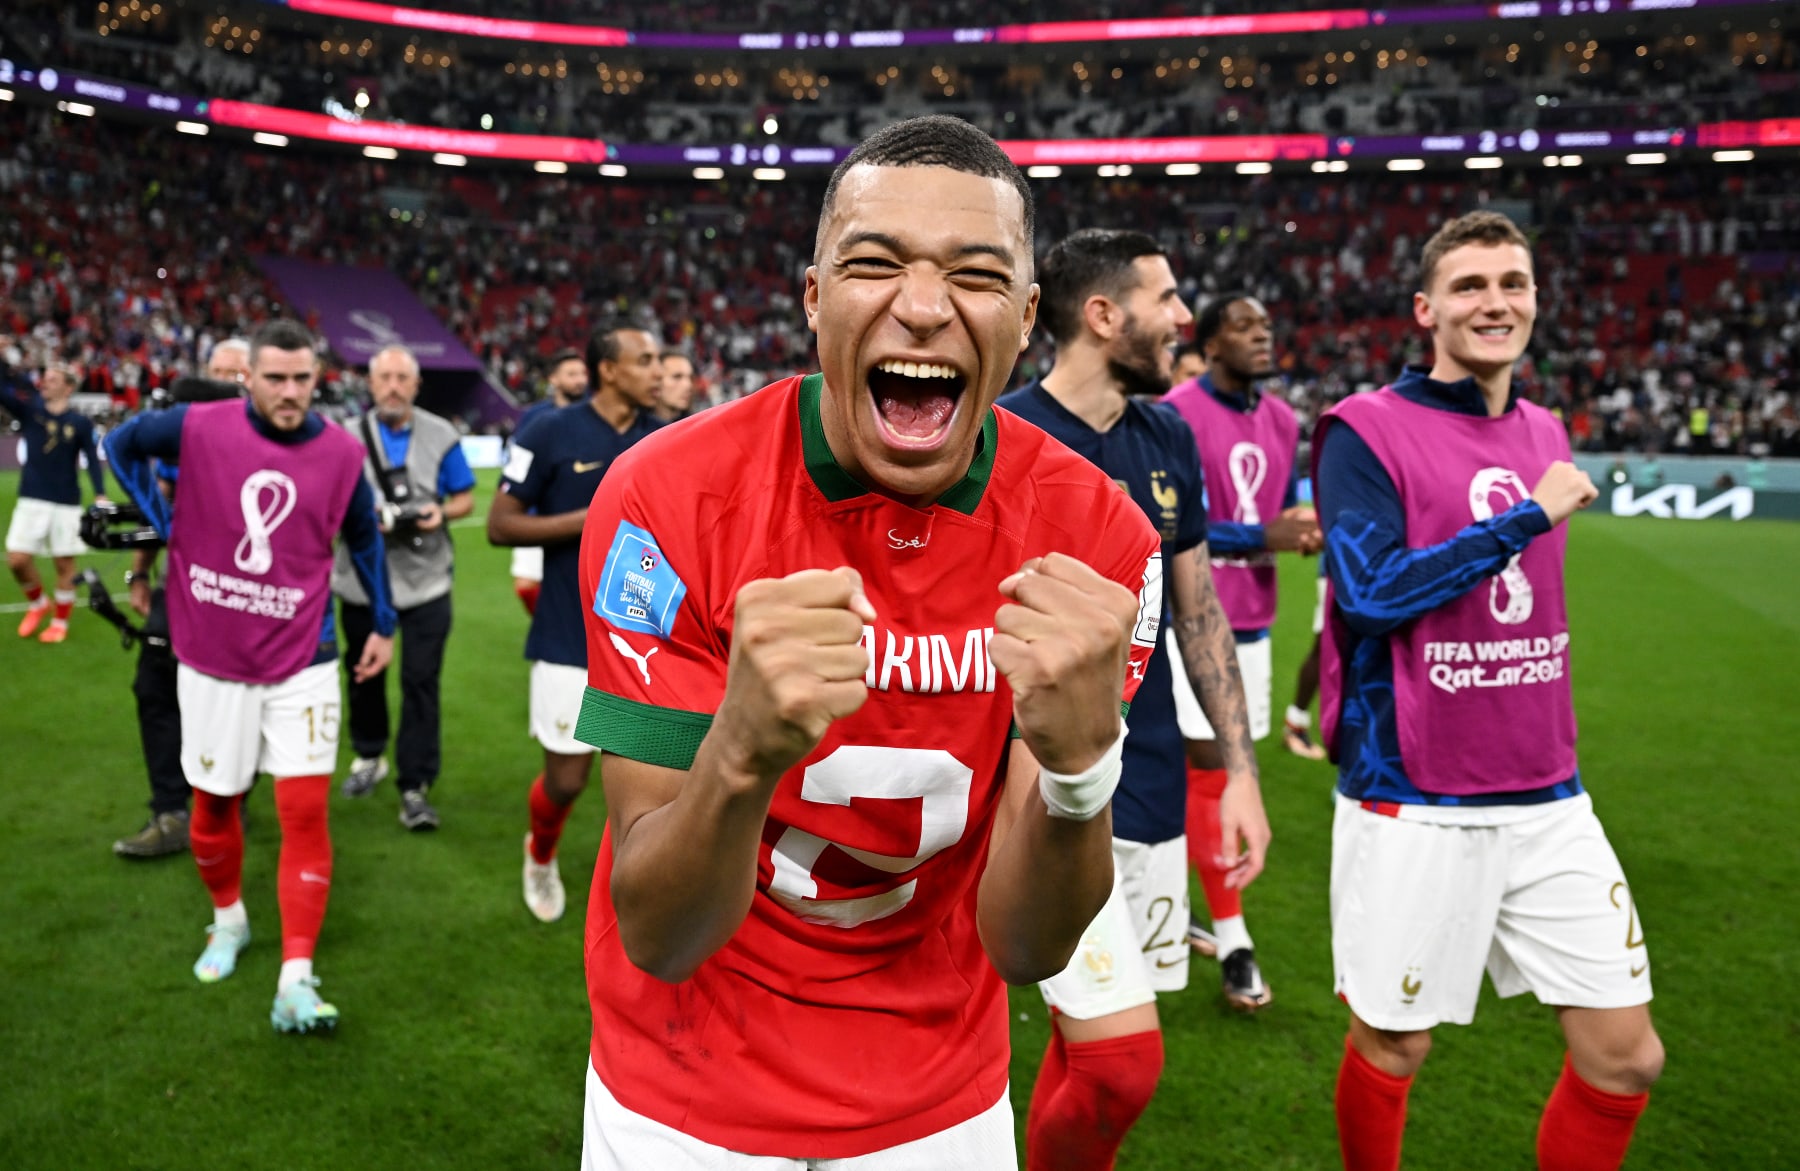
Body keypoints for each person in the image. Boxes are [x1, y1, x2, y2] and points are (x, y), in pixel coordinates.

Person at [573, 114, 1164, 1169]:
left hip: (939, 1099)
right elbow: (661, 933)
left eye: (975, 276)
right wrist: (740, 749)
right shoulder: (666, 498)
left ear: (1027, 317)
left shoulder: (1099, 540)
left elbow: (1026, 946)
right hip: (679, 1088)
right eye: (875, 264)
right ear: (814, 298)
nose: (924, 308)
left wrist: (1083, 771)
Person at [1314, 211, 1663, 1171]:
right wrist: (1524, 517)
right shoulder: (1362, 429)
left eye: (1513, 282)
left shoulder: (1543, 427)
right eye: (1469, 285)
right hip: (1414, 792)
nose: (1494, 301)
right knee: (1395, 1042)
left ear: (1537, 300)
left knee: (1626, 1056)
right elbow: (1370, 594)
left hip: (1547, 789)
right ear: (1427, 309)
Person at [997, 229, 1269, 1171]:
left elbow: (1198, 613)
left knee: (1090, 1054)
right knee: (1122, 1065)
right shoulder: (1002, 437)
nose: (1185, 318)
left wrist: (1240, 773)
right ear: (1103, 314)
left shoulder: (1168, 438)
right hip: (1027, 792)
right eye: (1167, 298)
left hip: (1145, 782)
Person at [105, 319, 397, 1035]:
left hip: (305, 657)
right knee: (213, 807)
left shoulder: (341, 453)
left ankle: (296, 976)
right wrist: (160, 519)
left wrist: (384, 622)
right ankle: (229, 919)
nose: (290, 392)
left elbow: (364, 537)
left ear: (317, 378)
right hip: (213, 658)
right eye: (276, 378)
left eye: (302, 379)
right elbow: (119, 443)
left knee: (305, 812)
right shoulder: (197, 425)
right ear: (251, 379)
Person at [1161, 292, 1320, 1009]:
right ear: (1211, 342)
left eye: (1267, 324)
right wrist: (1261, 535)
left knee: (1204, 772)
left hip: (1253, 621)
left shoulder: (1284, 419)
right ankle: (1233, 940)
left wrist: (1298, 529)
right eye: (1244, 326)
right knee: (1213, 770)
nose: (1262, 335)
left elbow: (1275, 511)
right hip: (1189, 621)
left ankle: (1168, 903)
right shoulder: (1176, 414)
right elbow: (1166, 523)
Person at [486, 324, 662, 922]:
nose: (657, 371)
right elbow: (501, 525)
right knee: (566, 780)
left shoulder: (666, 436)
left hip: (647, 640)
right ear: (607, 370)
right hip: (568, 633)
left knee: (653, 779)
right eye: (644, 360)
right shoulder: (549, 430)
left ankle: (643, 881)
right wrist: (596, 516)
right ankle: (540, 853)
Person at [113, 339, 253, 858]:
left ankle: (230, 798)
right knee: (155, 686)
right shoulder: (183, 431)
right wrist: (140, 573)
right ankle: (170, 810)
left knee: (234, 698)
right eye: (217, 371)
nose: (224, 381)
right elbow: (163, 501)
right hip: (181, 584)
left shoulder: (270, 435)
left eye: (235, 373)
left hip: (243, 592)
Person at [332, 345, 476, 830]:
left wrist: (440, 513)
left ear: (416, 385)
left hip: (426, 580)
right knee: (362, 674)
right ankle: (369, 754)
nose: (393, 387)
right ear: (370, 384)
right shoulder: (344, 436)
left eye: (402, 378)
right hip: (362, 581)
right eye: (384, 378)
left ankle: (415, 784)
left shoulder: (441, 434)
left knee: (421, 681)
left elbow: (464, 499)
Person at [2, 359, 107, 644]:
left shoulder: (80, 423)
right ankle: (38, 604)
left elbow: (92, 460)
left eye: (52, 379)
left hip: (65, 501)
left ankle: (59, 622)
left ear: (68, 387)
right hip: (31, 497)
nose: (44, 383)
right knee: (17, 559)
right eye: (44, 378)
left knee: (64, 564)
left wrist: (100, 492)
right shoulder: (31, 411)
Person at [509, 349, 589, 615]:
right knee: (526, 586)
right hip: (538, 517)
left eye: (582, 374)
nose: (579, 380)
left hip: (582, 515)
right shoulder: (536, 417)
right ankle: (550, 622)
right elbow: (518, 462)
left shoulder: (596, 414)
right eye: (571, 374)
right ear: (553, 379)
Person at [653, 351, 697, 422]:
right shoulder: (637, 425)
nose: (688, 385)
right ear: (656, 381)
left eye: (690, 378)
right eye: (677, 376)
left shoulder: (697, 424)